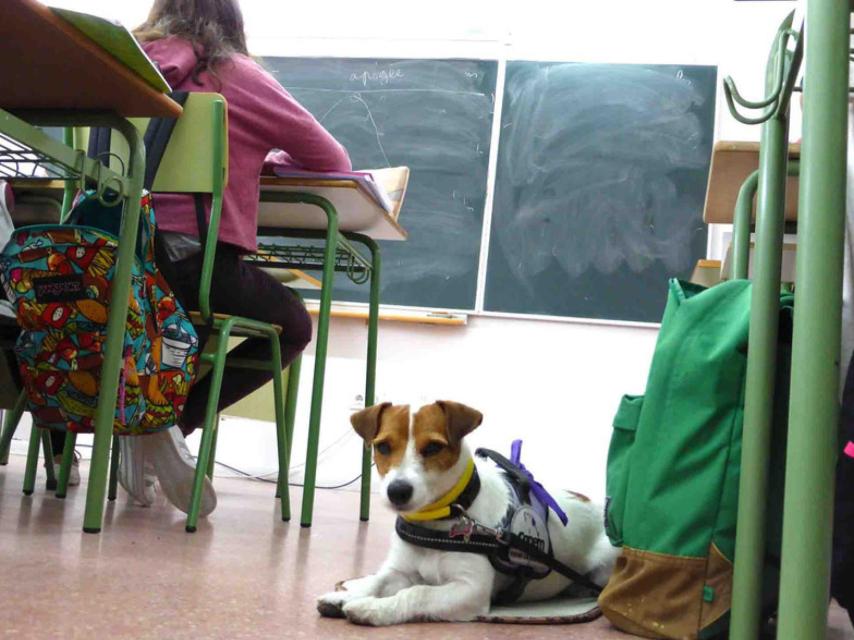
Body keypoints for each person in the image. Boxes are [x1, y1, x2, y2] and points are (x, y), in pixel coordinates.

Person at [121, 0, 352, 515]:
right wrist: (262, 156)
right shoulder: (234, 75)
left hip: (113, 260)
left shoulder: (124, 65)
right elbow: (332, 158)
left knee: (176, 322)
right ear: (230, 21)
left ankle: (144, 424)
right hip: (187, 265)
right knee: (293, 325)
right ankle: (170, 424)